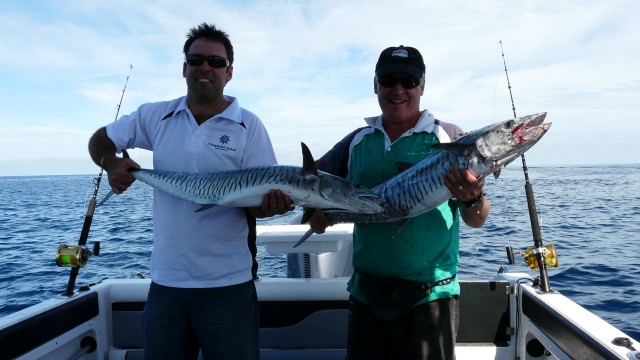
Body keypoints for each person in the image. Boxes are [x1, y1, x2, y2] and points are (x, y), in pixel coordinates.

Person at [88, 23, 292, 360]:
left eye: (216, 62)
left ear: (229, 72)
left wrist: (271, 205)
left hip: (229, 286)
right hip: (166, 285)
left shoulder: (249, 126)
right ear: (184, 67)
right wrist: (111, 163)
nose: (205, 68)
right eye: (196, 59)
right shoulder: (156, 115)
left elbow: (254, 206)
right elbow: (100, 139)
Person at [307, 45, 491, 360]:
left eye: (408, 81)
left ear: (422, 87)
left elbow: (477, 220)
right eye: (389, 79)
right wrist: (315, 214)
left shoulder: (451, 139)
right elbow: (312, 187)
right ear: (376, 84)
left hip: (430, 298)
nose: (398, 89)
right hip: (367, 294)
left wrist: (473, 198)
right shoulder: (357, 140)